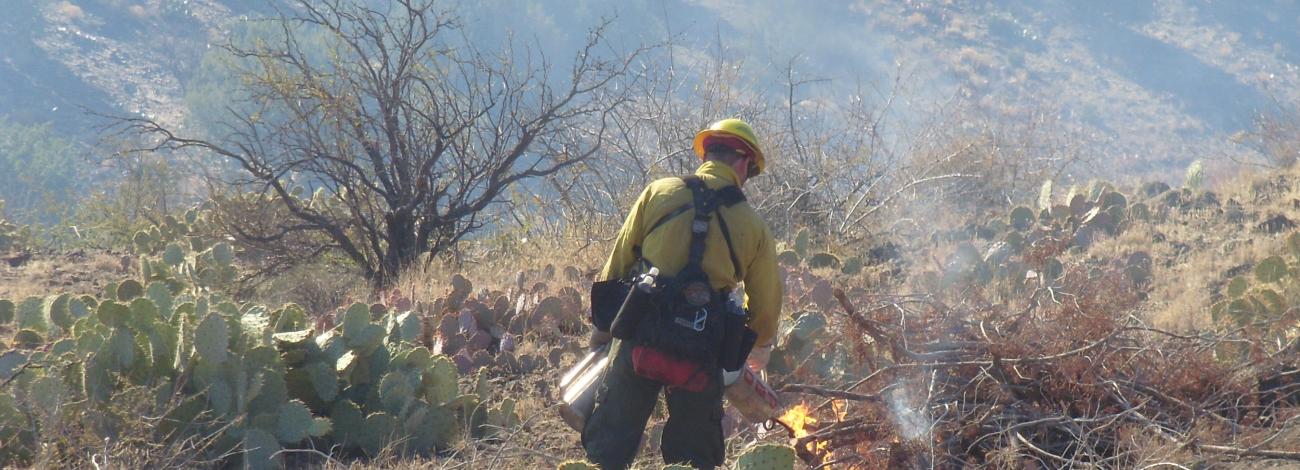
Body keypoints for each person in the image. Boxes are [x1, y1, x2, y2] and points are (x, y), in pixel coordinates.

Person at [583, 118, 783, 469]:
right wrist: (759, 350)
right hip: (703, 352)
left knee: (607, 450)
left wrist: (603, 330)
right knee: (694, 458)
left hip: (638, 331)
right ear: (743, 163)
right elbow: (765, 308)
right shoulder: (755, 228)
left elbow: (616, 267)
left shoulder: (658, 191)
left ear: (706, 153)